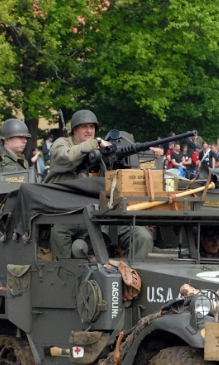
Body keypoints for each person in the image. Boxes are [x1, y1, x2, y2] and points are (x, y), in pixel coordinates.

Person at [48, 109, 153, 259]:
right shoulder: (62, 144)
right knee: (59, 233)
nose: (89, 130)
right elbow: (68, 158)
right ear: (74, 130)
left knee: (142, 237)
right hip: (68, 210)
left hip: (101, 211)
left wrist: (113, 154)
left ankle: (131, 273)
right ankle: (64, 275)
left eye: (92, 127)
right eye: (84, 127)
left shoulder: (100, 149)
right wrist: (94, 143)